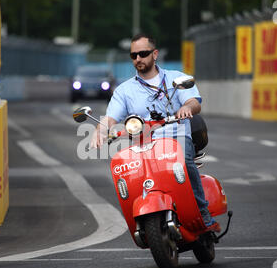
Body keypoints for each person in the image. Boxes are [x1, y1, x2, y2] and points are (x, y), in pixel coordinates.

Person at [90, 33, 216, 227]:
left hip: (176, 137)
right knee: (130, 175)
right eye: (134, 55)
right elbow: (110, 117)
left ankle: (202, 211)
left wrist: (186, 108)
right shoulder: (125, 90)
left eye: (143, 53)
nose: (138, 59)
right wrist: (100, 131)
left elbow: (194, 102)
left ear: (155, 54)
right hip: (144, 144)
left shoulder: (176, 78)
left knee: (186, 164)